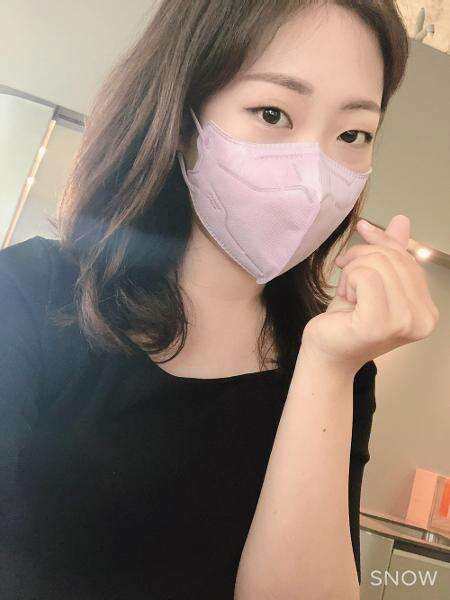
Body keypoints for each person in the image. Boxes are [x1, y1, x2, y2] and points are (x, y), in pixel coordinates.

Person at [0, 1, 439, 599]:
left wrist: (330, 366)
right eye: (273, 113)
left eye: (352, 133)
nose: (314, 175)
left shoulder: (336, 362)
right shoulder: (29, 293)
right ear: (183, 119)